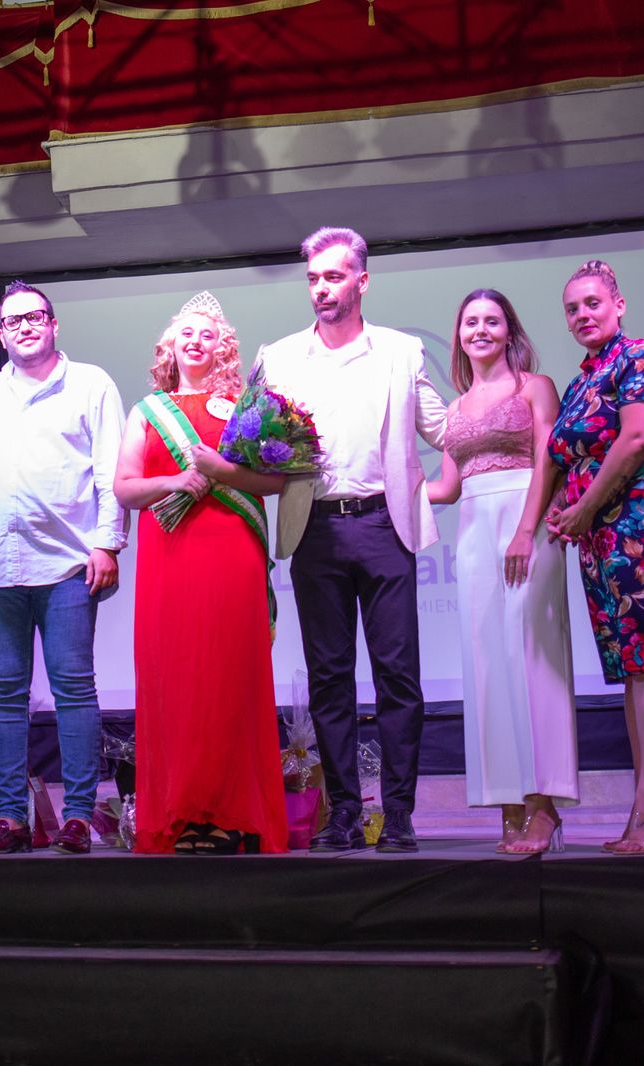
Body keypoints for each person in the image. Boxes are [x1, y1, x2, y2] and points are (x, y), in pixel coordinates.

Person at [251, 227, 447, 853]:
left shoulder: (400, 351)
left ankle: (398, 815)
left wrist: (511, 408)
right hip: (315, 528)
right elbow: (246, 444)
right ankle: (342, 815)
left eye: (334, 276)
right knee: (328, 679)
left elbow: (444, 428)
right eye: (313, 277)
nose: (321, 289)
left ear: (362, 280)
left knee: (398, 677)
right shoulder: (277, 357)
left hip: (383, 525)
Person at [0, 280, 128, 855]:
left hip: (68, 564)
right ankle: (11, 818)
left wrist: (107, 544)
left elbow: (109, 470)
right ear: (1, 336)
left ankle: (76, 816)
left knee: (75, 690)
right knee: (3, 696)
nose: (24, 326)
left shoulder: (91, 383)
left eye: (35, 317)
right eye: (12, 322)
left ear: (54, 324)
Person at [113, 292, 289, 854]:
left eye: (206, 334)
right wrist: (173, 483)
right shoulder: (147, 411)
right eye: (184, 334)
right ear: (170, 347)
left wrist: (221, 471)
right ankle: (185, 814)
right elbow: (124, 487)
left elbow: (274, 483)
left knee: (228, 677)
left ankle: (233, 813)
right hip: (171, 557)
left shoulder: (246, 408)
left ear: (222, 348)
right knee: (179, 680)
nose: (195, 341)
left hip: (232, 553)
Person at [547, 259, 644, 855]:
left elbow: (636, 438)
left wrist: (584, 509)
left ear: (618, 304)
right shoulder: (584, 378)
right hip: (599, 538)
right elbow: (567, 454)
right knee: (632, 664)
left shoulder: (640, 356)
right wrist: (568, 507)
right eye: (572, 309)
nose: (583, 315)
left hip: (641, 526)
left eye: (592, 303)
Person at [424, 290, 578, 854]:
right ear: (459, 333)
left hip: (525, 520)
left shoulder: (535, 386)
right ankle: (510, 800)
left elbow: (549, 458)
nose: (480, 330)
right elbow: (445, 486)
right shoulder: (457, 406)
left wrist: (523, 529)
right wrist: (383, 484)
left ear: (509, 330)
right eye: (470, 322)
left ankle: (545, 804)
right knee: (486, 659)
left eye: (492, 321)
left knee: (532, 658)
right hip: (472, 531)